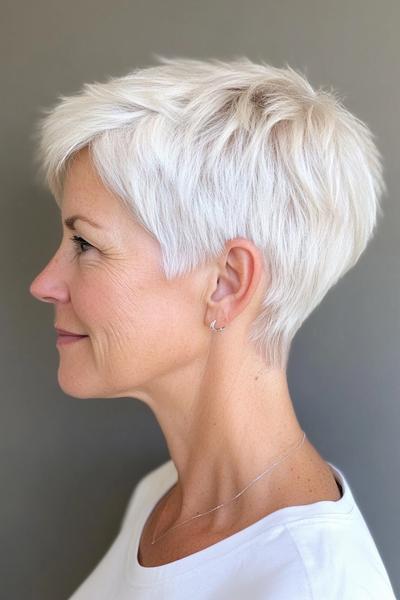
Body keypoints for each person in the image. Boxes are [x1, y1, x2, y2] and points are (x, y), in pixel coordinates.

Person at [29, 56, 396, 599]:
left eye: (85, 243)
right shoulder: (161, 499)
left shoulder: (315, 586)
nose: (43, 283)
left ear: (225, 282)